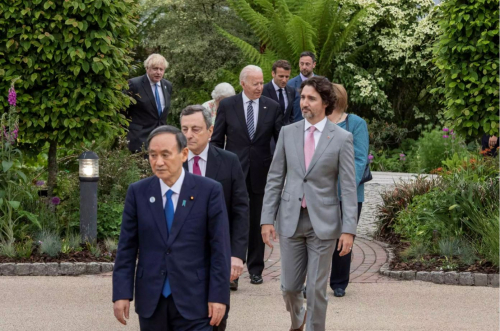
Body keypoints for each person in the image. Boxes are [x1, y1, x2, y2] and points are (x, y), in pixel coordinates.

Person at [261, 76, 358, 331]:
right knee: (290, 287)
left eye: (311, 98)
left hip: (323, 224)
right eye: (303, 97)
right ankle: (297, 319)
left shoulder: (341, 138)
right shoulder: (287, 133)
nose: (305, 103)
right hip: (291, 220)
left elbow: (348, 187)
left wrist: (349, 229)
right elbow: (274, 178)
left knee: (316, 289)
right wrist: (266, 219)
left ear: (325, 103)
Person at [113, 125, 231, 331]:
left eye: (165, 155)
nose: (158, 162)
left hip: (196, 302)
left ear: (184, 154)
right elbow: (127, 248)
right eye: (153, 155)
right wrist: (121, 293)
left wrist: (219, 296)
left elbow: (219, 249)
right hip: (152, 301)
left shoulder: (209, 191)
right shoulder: (138, 192)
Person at [211, 65, 283, 285]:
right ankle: (232, 272)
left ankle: (255, 269)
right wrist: (216, 170)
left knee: (258, 221)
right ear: (242, 83)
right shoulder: (228, 106)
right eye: (255, 83)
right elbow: (216, 141)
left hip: (261, 173)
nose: (260, 87)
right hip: (233, 173)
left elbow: (281, 143)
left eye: (262, 83)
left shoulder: (272, 107)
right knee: (233, 222)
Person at [180, 105, 249, 330]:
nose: (189, 134)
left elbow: (240, 210)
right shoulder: (172, 163)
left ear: (210, 131)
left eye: (196, 129)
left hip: (218, 254)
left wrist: (237, 254)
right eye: (184, 129)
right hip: (181, 257)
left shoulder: (229, 161)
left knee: (215, 320)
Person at [327, 83, 369, 298]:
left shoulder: (356, 123)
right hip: (321, 192)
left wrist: (346, 186)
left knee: (344, 238)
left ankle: (339, 282)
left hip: (349, 193)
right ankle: (314, 281)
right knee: (319, 239)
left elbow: (360, 158)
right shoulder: (318, 123)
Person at [125, 54, 173, 153]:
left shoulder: (167, 86)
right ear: (147, 68)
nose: (158, 72)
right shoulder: (134, 84)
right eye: (155, 69)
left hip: (161, 137)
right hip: (139, 139)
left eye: (161, 69)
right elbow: (123, 109)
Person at [262, 60, 296, 125]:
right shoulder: (263, 90)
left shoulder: (291, 91)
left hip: (286, 131)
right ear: (273, 74)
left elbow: (291, 114)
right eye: (281, 76)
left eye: (287, 77)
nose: (284, 80)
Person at [287, 51, 317, 123]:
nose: (304, 67)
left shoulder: (323, 83)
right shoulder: (290, 84)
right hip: (296, 127)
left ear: (314, 64)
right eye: (302, 64)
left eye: (307, 64)